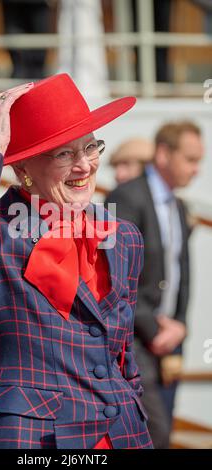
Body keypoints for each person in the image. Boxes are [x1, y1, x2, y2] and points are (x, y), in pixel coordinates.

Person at [0, 73, 153, 449]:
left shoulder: (124, 236)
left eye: (90, 148)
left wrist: (133, 407)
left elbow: (121, 352)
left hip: (120, 436)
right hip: (34, 440)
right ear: (23, 170)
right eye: (64, 154)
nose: (84, 166)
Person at [105, 121, 204, 448]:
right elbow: (117, 274)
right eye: (190, 159)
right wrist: (154, 329)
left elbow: (182, 272)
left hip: (168, 340)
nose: (197, 170)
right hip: (134, 337)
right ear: (163, 154)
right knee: (152, 432)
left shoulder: (178, 205)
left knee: (164, 427)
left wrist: (180, 326)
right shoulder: (125, 197)